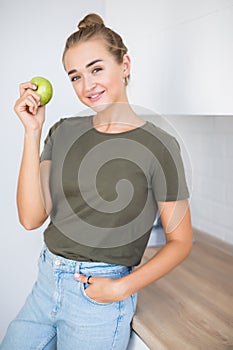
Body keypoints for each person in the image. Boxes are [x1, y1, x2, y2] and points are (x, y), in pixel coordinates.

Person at [0, 13, 192, 350]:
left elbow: (180, 241)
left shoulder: (159, 146)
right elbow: (31, 218)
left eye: (96, 69)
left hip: (100, 294)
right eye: (75, 76)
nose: (87, 85)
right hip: (46, 283)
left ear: (125, 64)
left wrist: (121, 288)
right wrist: (32, 133)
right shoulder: (61, 132)